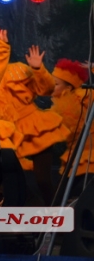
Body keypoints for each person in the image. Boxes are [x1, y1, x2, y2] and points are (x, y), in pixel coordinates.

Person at [0, 38, 69, 205]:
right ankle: (33, 211)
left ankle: (57, 219)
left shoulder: (17, 70)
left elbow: (46, 89)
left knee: (43, 181)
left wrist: (38, 68)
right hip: (9, 135)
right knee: (8, 182)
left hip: (36, 127)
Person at [50, 58, 93, 199]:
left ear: (68, 88)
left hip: (88, 161)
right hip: (75, 160)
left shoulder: (84, 97)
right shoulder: (57, 107)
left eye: (55, 84)